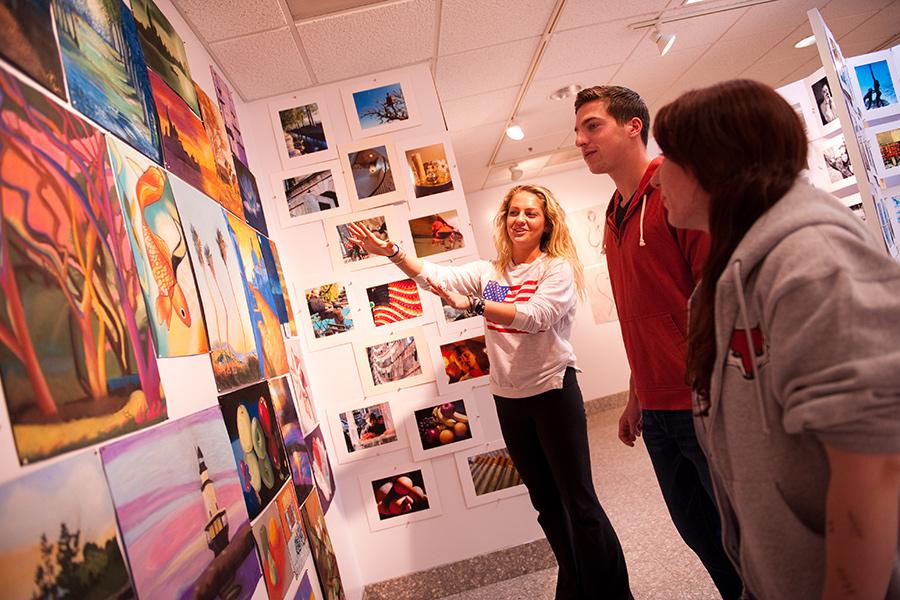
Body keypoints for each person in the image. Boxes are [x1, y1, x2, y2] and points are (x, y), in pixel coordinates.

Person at [651, 78, 900, 600]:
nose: (659, 178)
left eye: (668, 157)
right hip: (771, 560)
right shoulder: (629, 228)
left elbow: (874, 462)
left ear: (710, 163)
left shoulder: (811, 262)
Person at [348, 184, 632, 599]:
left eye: (531, 214)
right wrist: (391, 251)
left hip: (553, 392)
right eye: (514, 212)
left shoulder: (555, 270)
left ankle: (613, 594)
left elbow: (535, 317)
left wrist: (474, 305)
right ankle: (574, 584)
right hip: (510, 401)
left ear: (546, 222)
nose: (520, 220)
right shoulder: (493, 276)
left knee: (580, 504)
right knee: (546, 505)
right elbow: (435, 277)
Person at [573, 85, 743, 599]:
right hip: (659, 411)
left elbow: (713, 298)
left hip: (702, 403)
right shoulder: (613, 213)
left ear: (633, 125)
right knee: (700, 535)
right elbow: (640, 315)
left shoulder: (677, 192)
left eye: (592, 125)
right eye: (577, 131)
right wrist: (635, 392)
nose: (580, 140)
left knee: (741, 536)